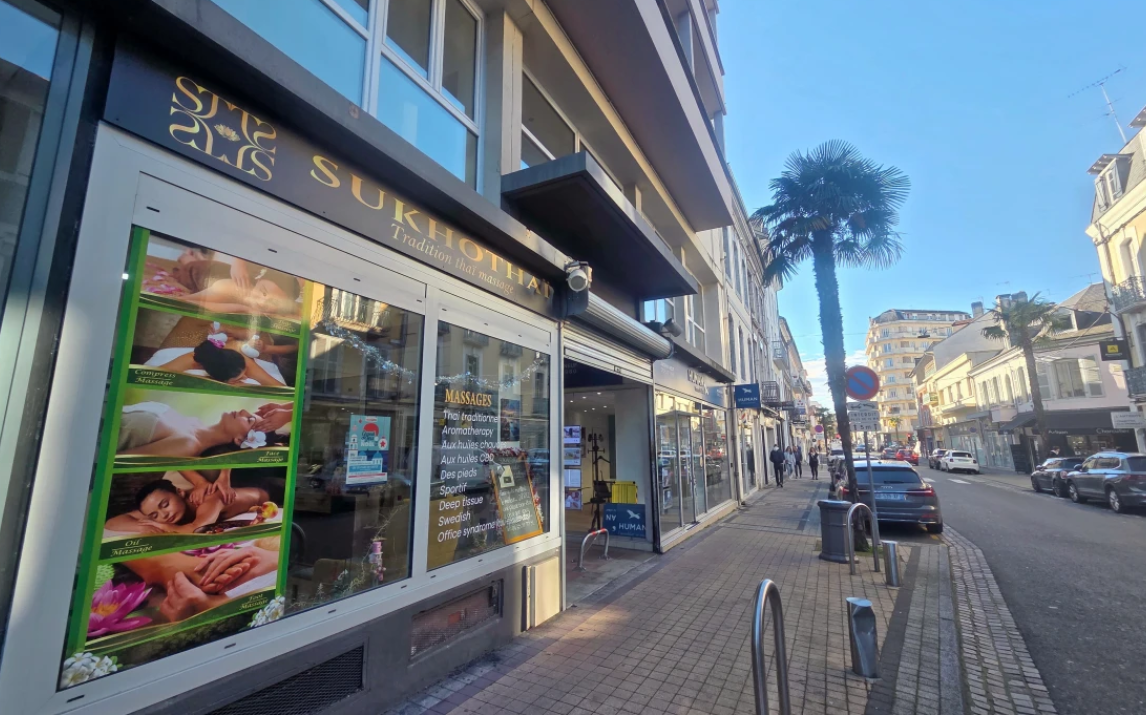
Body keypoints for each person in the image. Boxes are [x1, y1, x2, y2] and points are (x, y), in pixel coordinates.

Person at [104, 471, 270, 535]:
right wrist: (143, 526)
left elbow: (196, 530)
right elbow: (112, 522)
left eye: (165, 505)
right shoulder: (158, 510)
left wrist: (163, 526)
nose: (164, 515)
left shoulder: (210, 499)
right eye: (154, 515)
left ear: (180, 492)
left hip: (270, 490)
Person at [117, 401, 289, 458]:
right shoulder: (194, 422)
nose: (244, 411)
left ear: (239, 440)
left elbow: (119, 460)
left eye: (249, 419)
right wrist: (285, 408)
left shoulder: (188, 444)